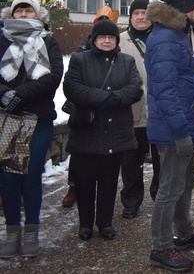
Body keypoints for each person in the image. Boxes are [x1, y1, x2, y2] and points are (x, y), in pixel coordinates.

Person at [146, 0, 194, 273]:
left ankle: (184, 233)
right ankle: (161, 247)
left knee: (186, 181)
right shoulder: (165, 40)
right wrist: (181, 132)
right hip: (175, 129)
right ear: (185, 9)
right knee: (170, 188)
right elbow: (165, 91)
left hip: (186, 124)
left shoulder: (181, 34)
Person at [63, 17, 143, 242]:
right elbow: (72, 87)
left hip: (116, 131)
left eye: (111, 37)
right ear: (94, 39)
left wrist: (114, 99)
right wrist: (104, 98)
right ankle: (85, 224)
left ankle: (105, 223)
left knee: (109, 182)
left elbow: (135, 88)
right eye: (102, 37)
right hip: (87, 131)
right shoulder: (80, 59)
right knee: (85, 182)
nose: (107, 41)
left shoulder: (126, 61)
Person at [0, 0, 63, 258]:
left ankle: (31, 231)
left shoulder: (48, 41)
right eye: (19, 11)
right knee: (8, 176)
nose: (24, 15)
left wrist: (20, 95)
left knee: (31, 174)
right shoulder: (2, 39)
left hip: (37, 118)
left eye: (29, 11)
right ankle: (12, 231)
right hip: (5, 118)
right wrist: (4, 93)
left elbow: (54, 76)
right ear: (11, 15)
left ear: (38, 15)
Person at [61, 5, 121, 208]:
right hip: (84, 111)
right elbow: (72, 84)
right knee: (79, 156)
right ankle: (74, 186)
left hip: (109, 112)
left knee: (107, 164)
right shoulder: (82, 53)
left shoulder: (118, 55)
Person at [118, 0, 152, 220]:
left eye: (144, 13)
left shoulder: (160, 37)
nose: (140, 17)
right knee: (131, 161)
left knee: (161, 161)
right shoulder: (119, 40)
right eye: (136, 14)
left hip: (158, 112)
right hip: (132, 111)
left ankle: (160, 197)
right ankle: (131, 201)